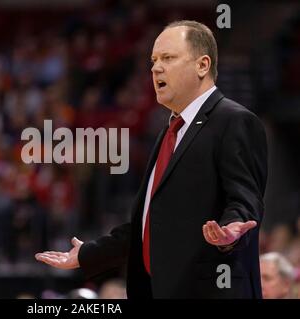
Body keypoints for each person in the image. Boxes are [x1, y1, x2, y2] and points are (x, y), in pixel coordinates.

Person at [35, 20, 268, 299]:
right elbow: (150, 223)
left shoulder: (234, 121)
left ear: (202, 65)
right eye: (154, 60)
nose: (156, 67)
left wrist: (231, 231)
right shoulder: (170, 130)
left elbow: (244, 200)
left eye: (168, 58)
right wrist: (89, 253)